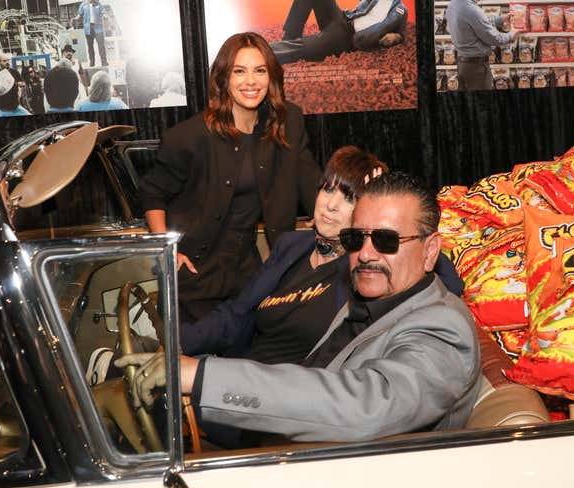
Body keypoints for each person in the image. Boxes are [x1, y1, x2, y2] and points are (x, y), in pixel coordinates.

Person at [118, 170, 482, 444]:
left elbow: (367, 405)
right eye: (356, 239)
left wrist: (202, 376)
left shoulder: (442, 327)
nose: (367, 254)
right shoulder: (369, 299)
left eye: (386, 241)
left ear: (431, 249)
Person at [139, 32, 322, 324]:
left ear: (271, 77)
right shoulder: (190, 136)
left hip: (247, 273)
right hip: (193, 274)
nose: (251, 81)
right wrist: (167, 251)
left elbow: (310, 179)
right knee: (194, 364)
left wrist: (339, 211)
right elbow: (152, 193)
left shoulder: (287, 123)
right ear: (223, 78)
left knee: (243, 363)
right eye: (239, 71)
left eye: (259, 70)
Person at [270, 0, 408, 65]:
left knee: (307, 46)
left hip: (348, 36)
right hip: (342, 18)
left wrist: (396, 36)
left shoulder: (400, 10)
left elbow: (402, 34)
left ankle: (265, 53)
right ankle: (290, 35)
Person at [445, 0, 519, 91]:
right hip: (476, 68)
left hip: (462, 64)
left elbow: (477, 21)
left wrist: (501, 19)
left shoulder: (454, 4)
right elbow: (494, 38)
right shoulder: (471, 9)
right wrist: (512, 33)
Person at [73, 0, 108, 67]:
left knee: (101, 46)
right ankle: (92, 63)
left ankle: (104, 62)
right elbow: (79, 14)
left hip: (98, 28)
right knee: (90, 47)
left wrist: (105, 15)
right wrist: (75, 19)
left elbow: (103, 12)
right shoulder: (83, 5)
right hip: (88, 28)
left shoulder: (98, 4)